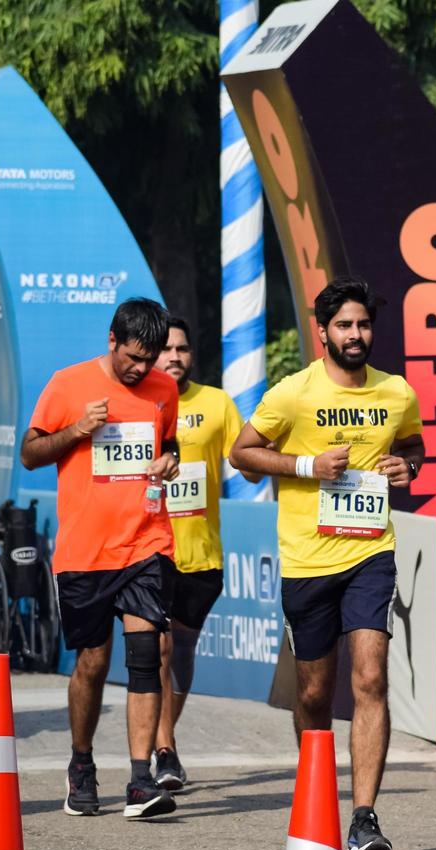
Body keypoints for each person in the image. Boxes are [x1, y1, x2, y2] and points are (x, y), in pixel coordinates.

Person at [230, 276, 424, 850]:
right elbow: (242, 453)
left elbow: (414, 447)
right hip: (308, 559)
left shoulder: (396, 392)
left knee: (370, 679)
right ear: (322, 332)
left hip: (370, 553)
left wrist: (404, 466)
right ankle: (315, 790)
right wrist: (307, 464)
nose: (356, 334)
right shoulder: (293, 393)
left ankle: (364, 818)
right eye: (344, 325)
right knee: (315, 690)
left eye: (363, 324)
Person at [20, 298, 181, 820]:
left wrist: (169, 460)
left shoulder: (165, 389)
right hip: (85, 552)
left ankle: (139, 782)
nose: (142, 368)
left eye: (150, 359)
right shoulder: (68, 385)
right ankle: (82, 764)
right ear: (112, 340)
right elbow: (31, 452)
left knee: (145, 655)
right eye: (133, 357)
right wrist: (76, 432)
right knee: (91, 663)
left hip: (145, 542)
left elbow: (169, 440)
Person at [151, 316, 260, 790]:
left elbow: (249, 457)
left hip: (203, 552)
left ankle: (161, 737)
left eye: (183, 349)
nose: (175, 357)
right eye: (166, 349)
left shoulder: (217, 404)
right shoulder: (139, 404)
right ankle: (163, 749)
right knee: (160, 644)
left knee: (184, 651)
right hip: (149, 548)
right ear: (151, 354)